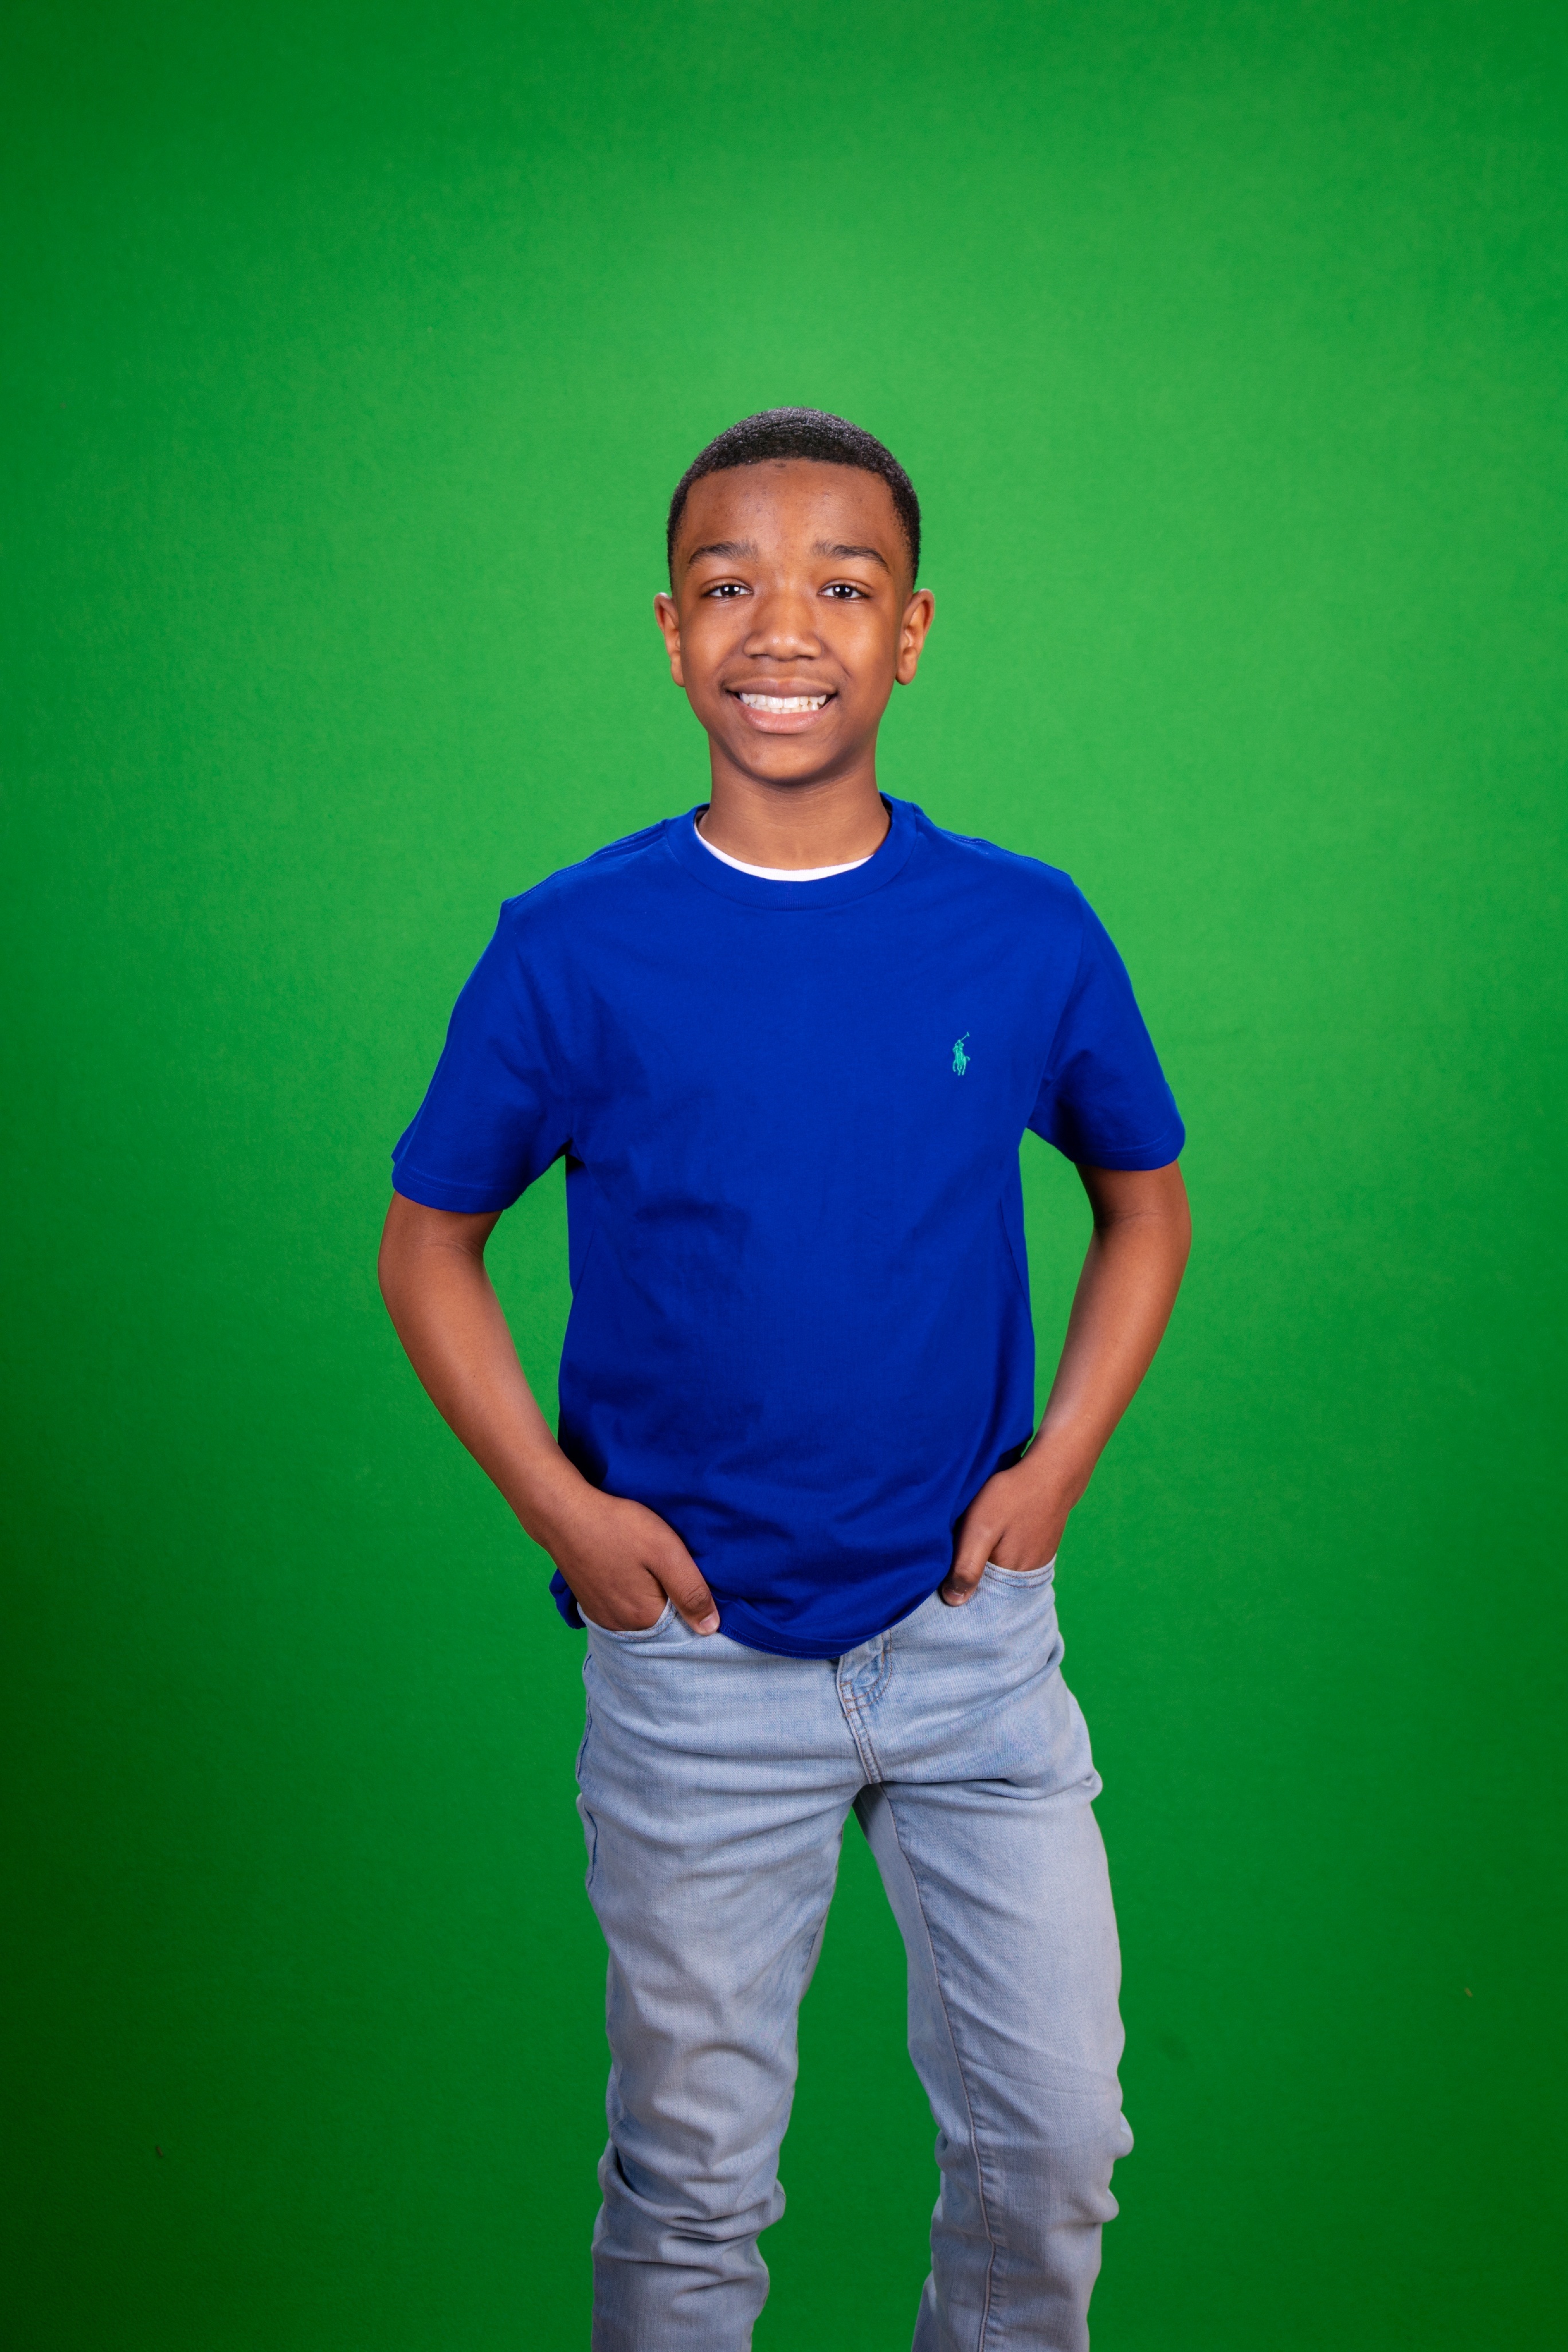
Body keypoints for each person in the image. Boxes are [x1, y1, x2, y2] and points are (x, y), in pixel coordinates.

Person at [378, 409, 1191, 2352]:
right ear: (672, 631)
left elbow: (1144, 1209)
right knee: (692, 2179)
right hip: (695, 1665)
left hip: (972, 1651)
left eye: (843, 585)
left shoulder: (1023, 930)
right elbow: (427, 1244)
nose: (785, 629)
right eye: (731, 585)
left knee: (1055, 2139)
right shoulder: (573, 947)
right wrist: (566, 1516)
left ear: (911, 632)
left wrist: (1060, 1466)